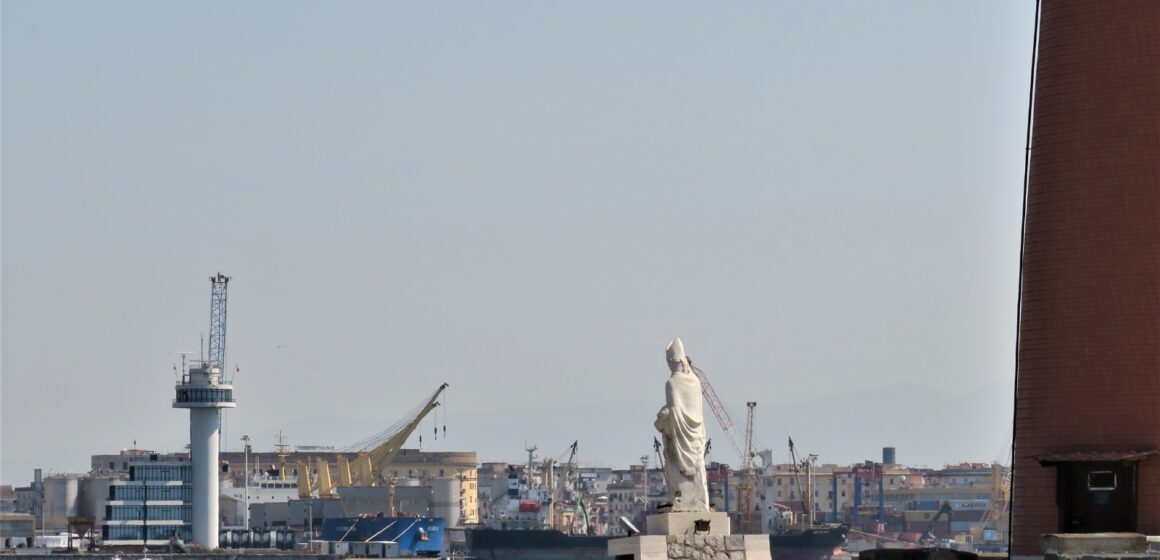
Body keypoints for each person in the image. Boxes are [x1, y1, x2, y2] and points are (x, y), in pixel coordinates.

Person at [654, 337, 709, 511]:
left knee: (672, 466)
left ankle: (682, 499)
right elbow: (692, 409)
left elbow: (675, 413)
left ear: (670, 361)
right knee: (698, 470)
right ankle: (698, 502)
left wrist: (661, 419)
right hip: (696, 434)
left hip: (679, 437)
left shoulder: (671, 383)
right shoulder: (695, 381)